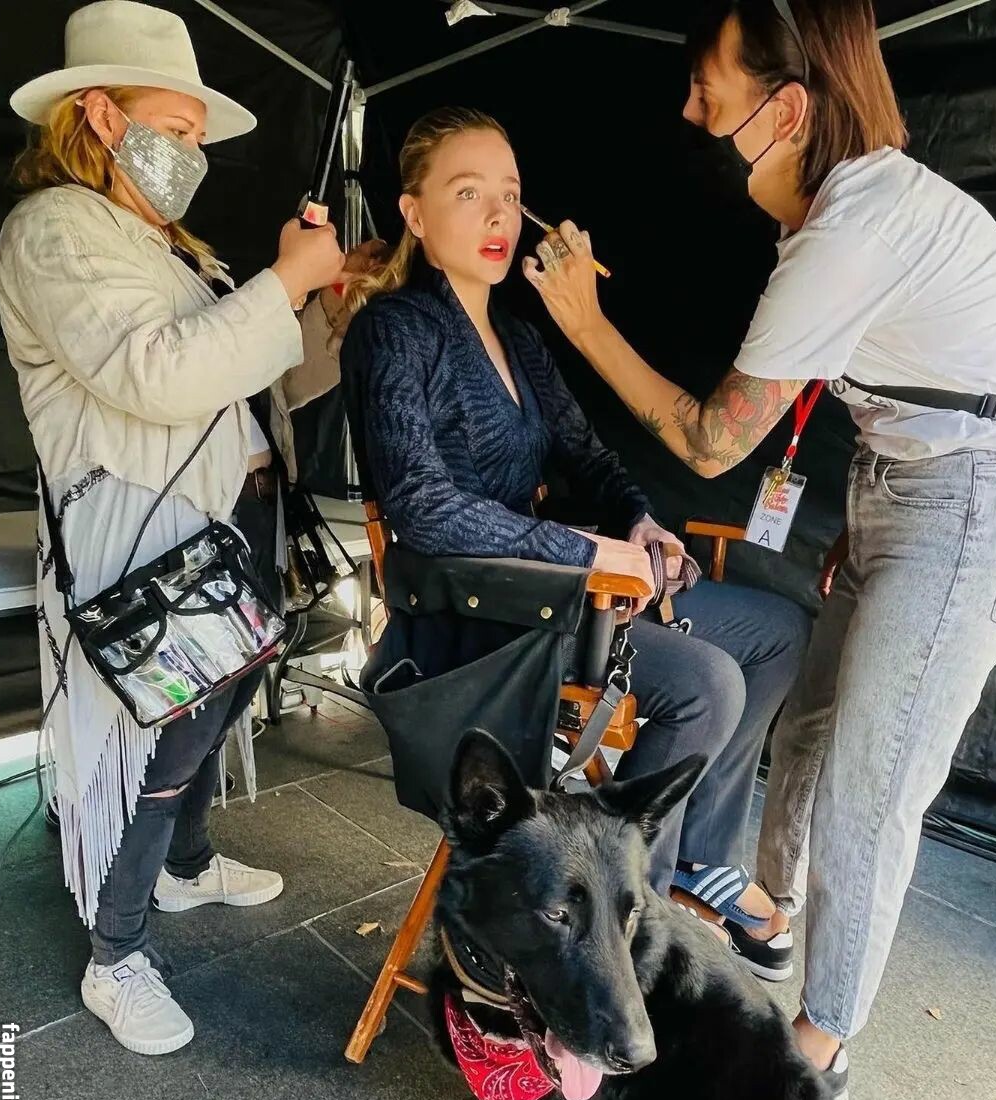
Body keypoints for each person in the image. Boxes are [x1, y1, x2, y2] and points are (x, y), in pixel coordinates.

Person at [525, 0, 996, 1100]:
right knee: (809, 718)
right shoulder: (845, 216)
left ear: (790, 110)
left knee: (873, 778)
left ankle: (819, 1049)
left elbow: (711, 441)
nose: (691, 114)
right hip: (903, 489)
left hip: (964, 512)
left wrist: (579, 319)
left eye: (709, 94)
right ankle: (769, 910)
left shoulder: (854, 225)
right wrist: (869, 519)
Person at [337, 106, 810, 952]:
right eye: (468, 192)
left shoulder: (519, 337)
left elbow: (590, 457)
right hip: (479, 614)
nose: (497, 214)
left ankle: (698, 856)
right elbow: (422, 504)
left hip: (559, 592)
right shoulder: (394, 329)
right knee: (707, 685)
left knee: (778, 633)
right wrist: (588, 551)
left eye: (510, 194)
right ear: (414, 212)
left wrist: (640, 522)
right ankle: (623, 925)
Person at [0, 1, 360, 1055]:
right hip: (143, 535)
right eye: (176, 126)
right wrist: (285, 282)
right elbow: (158, 375)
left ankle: (186, 866)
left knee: (218, 704)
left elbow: (251, 378)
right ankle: (115, 953)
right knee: (158, 739)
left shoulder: (164, 244)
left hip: (225, 515)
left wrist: (327, 308)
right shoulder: (54, 230)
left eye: (199, 133)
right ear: (101, 115)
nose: (193, 150)